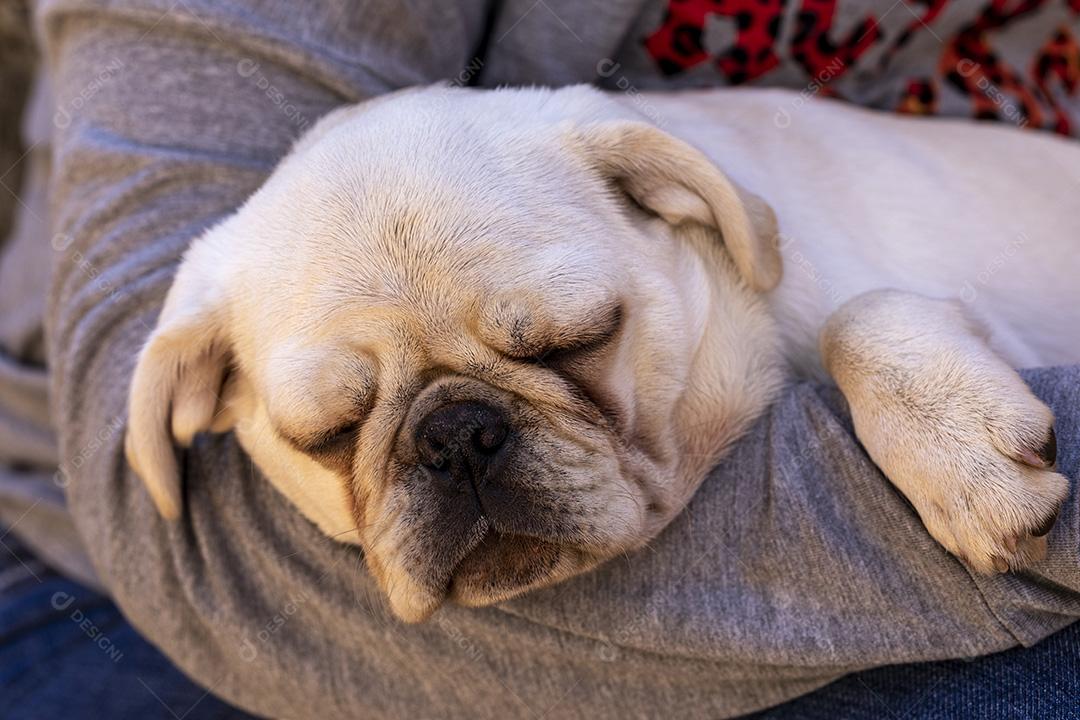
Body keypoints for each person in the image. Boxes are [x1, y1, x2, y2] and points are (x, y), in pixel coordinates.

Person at [2, 1, 1079, 717]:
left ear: (687, 206)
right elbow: (189, 551)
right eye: (337, 429)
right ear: (207, 394)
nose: (467, 453)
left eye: (563, 346)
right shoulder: (225, 295)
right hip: (76, 599)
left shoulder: (684, 202)